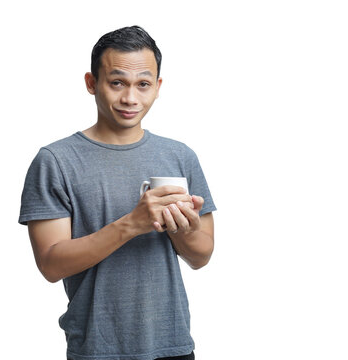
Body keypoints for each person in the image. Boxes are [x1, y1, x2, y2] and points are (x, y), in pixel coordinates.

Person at [18, 25, 216, 360]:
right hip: (96, 349)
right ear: (91, 83)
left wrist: (183, 230)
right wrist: (132, 224)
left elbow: (201, 256)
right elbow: (51, 265)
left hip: (173, 345)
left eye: (143, 84)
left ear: (157, 87)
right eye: (116, 82)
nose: (130, 98)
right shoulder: (55, 161)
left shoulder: (181, 156)